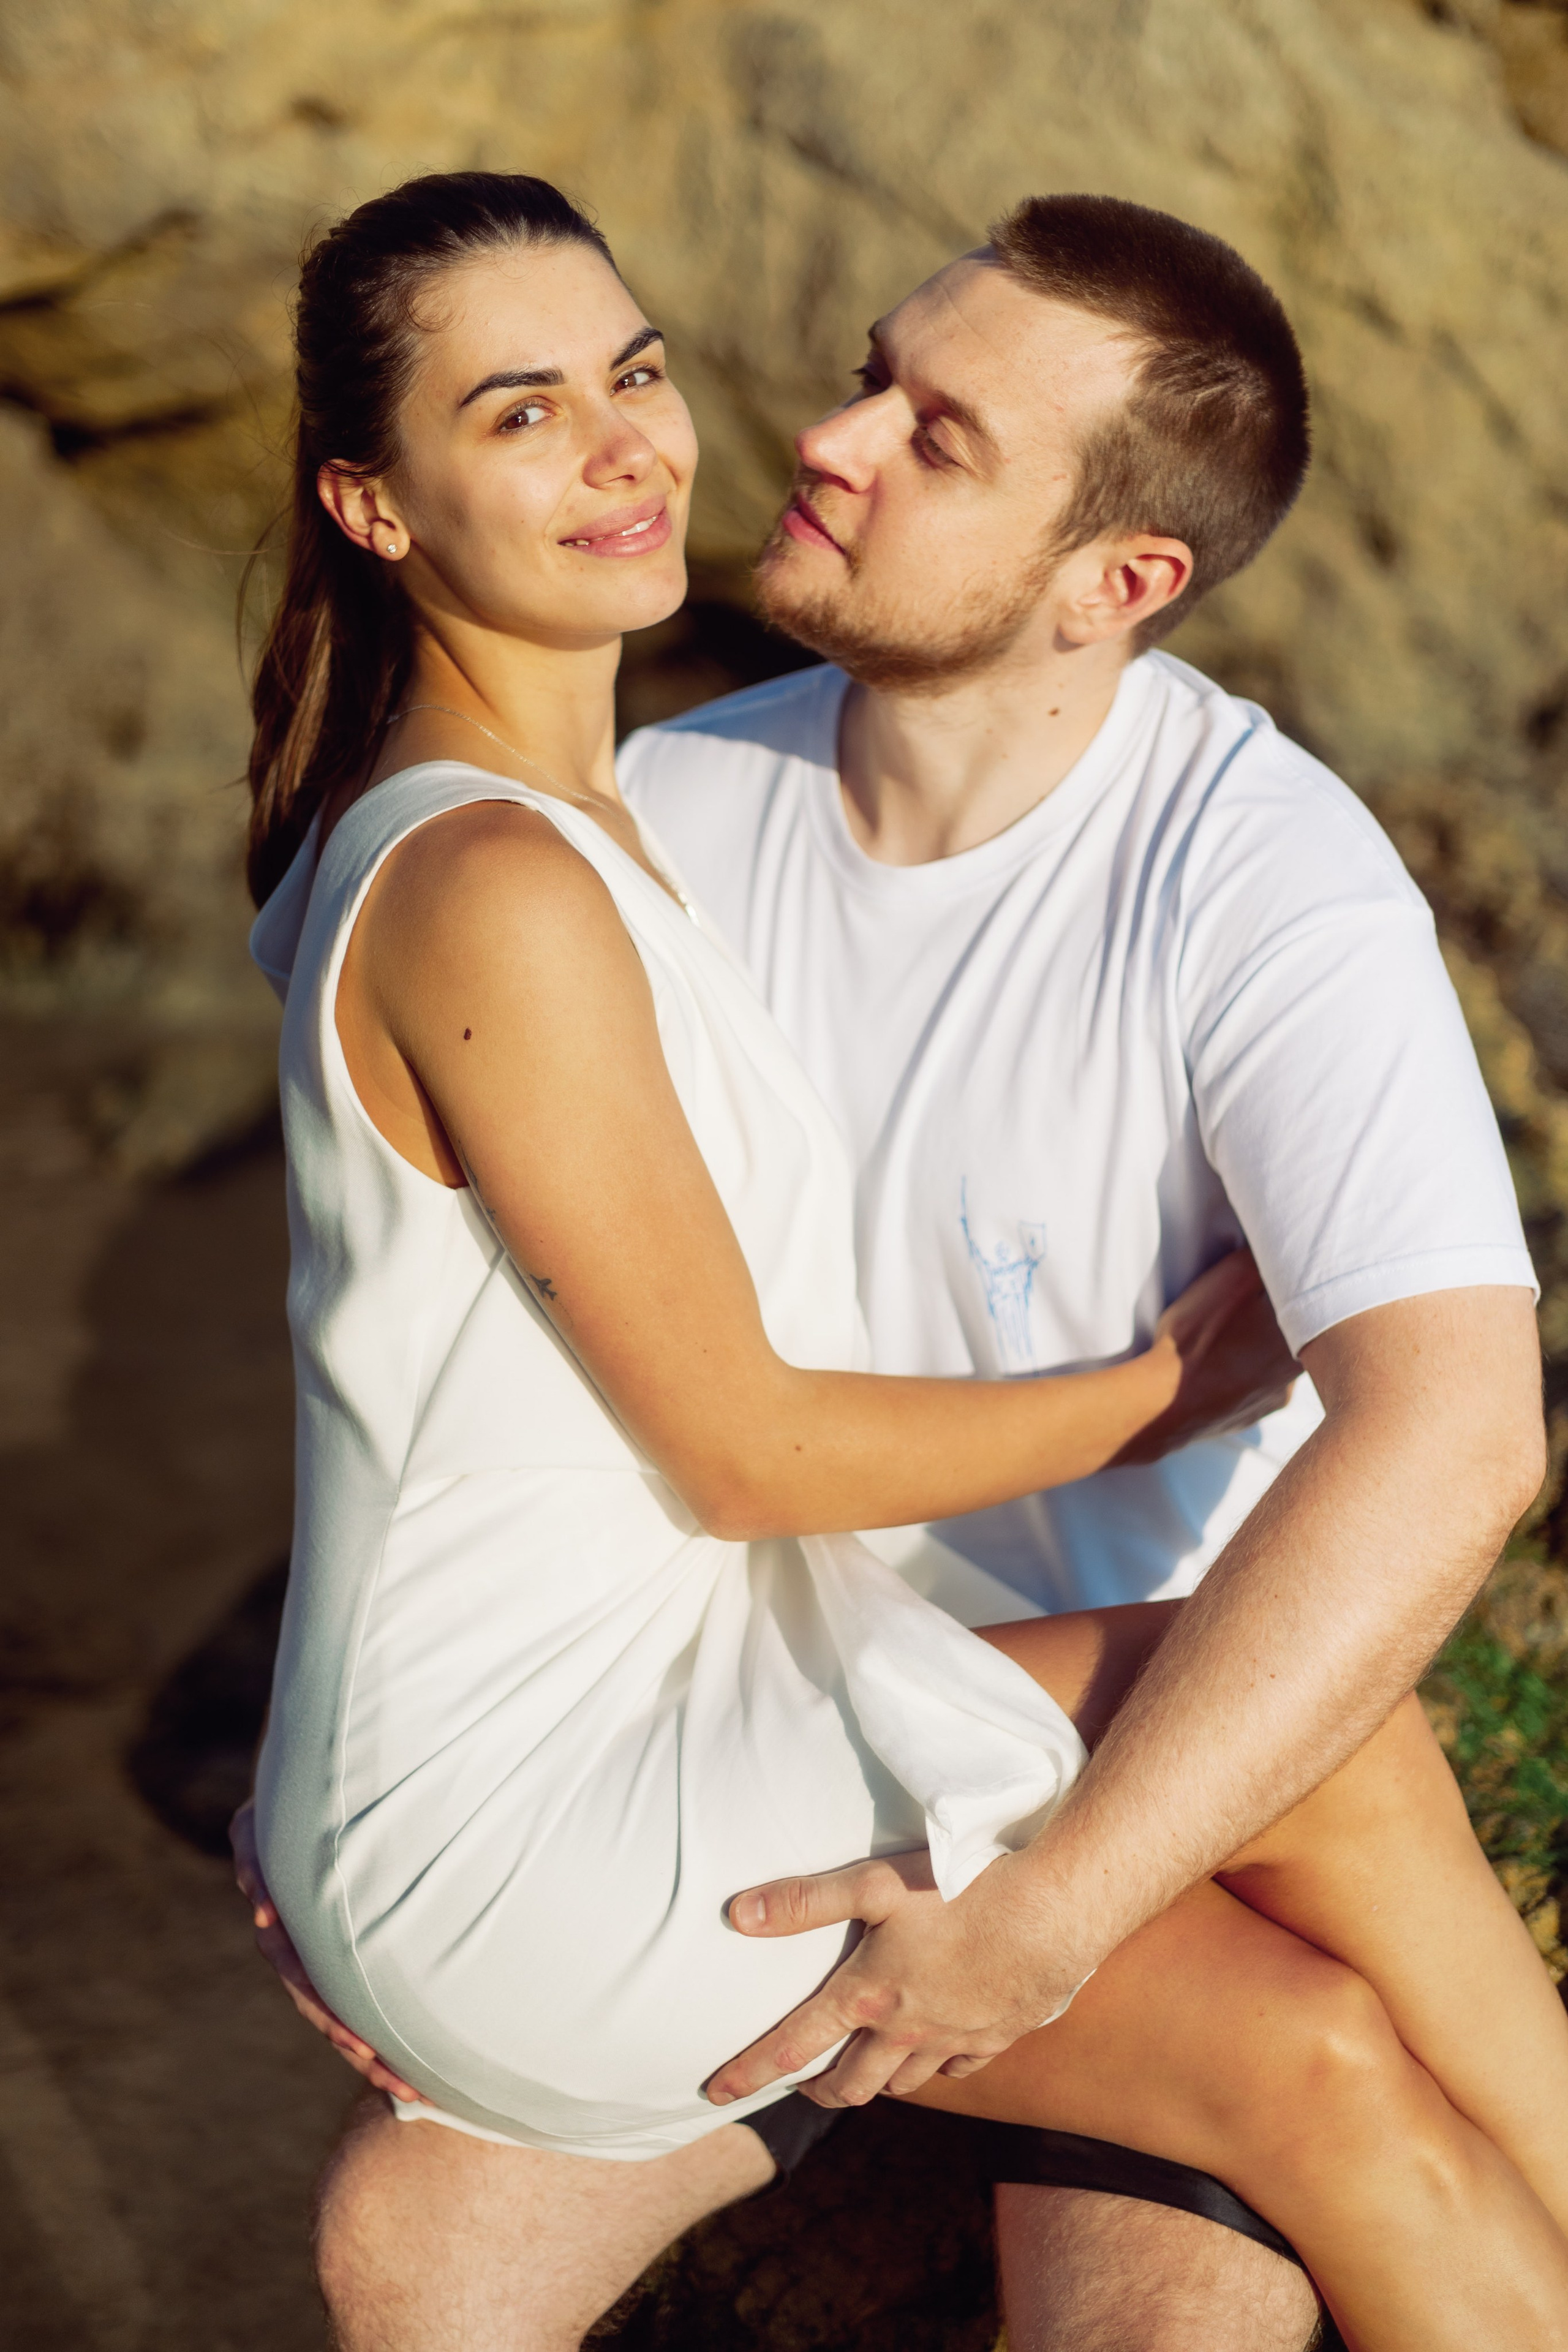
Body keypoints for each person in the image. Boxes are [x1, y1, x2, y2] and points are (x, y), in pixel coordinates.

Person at [231, 172, 1568, 2352]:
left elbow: (1459, 1432)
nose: (803, 442)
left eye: (936, 437)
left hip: (979, 1743)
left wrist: (1051, 1914)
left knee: (1314, 2027)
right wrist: (1176, 1382)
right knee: (420, 2252)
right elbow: (665, 1427)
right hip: (679, 1759)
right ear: (374, 509)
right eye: (872, 377)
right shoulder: (613, 833)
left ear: (1118, 580)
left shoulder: (1259, 877)